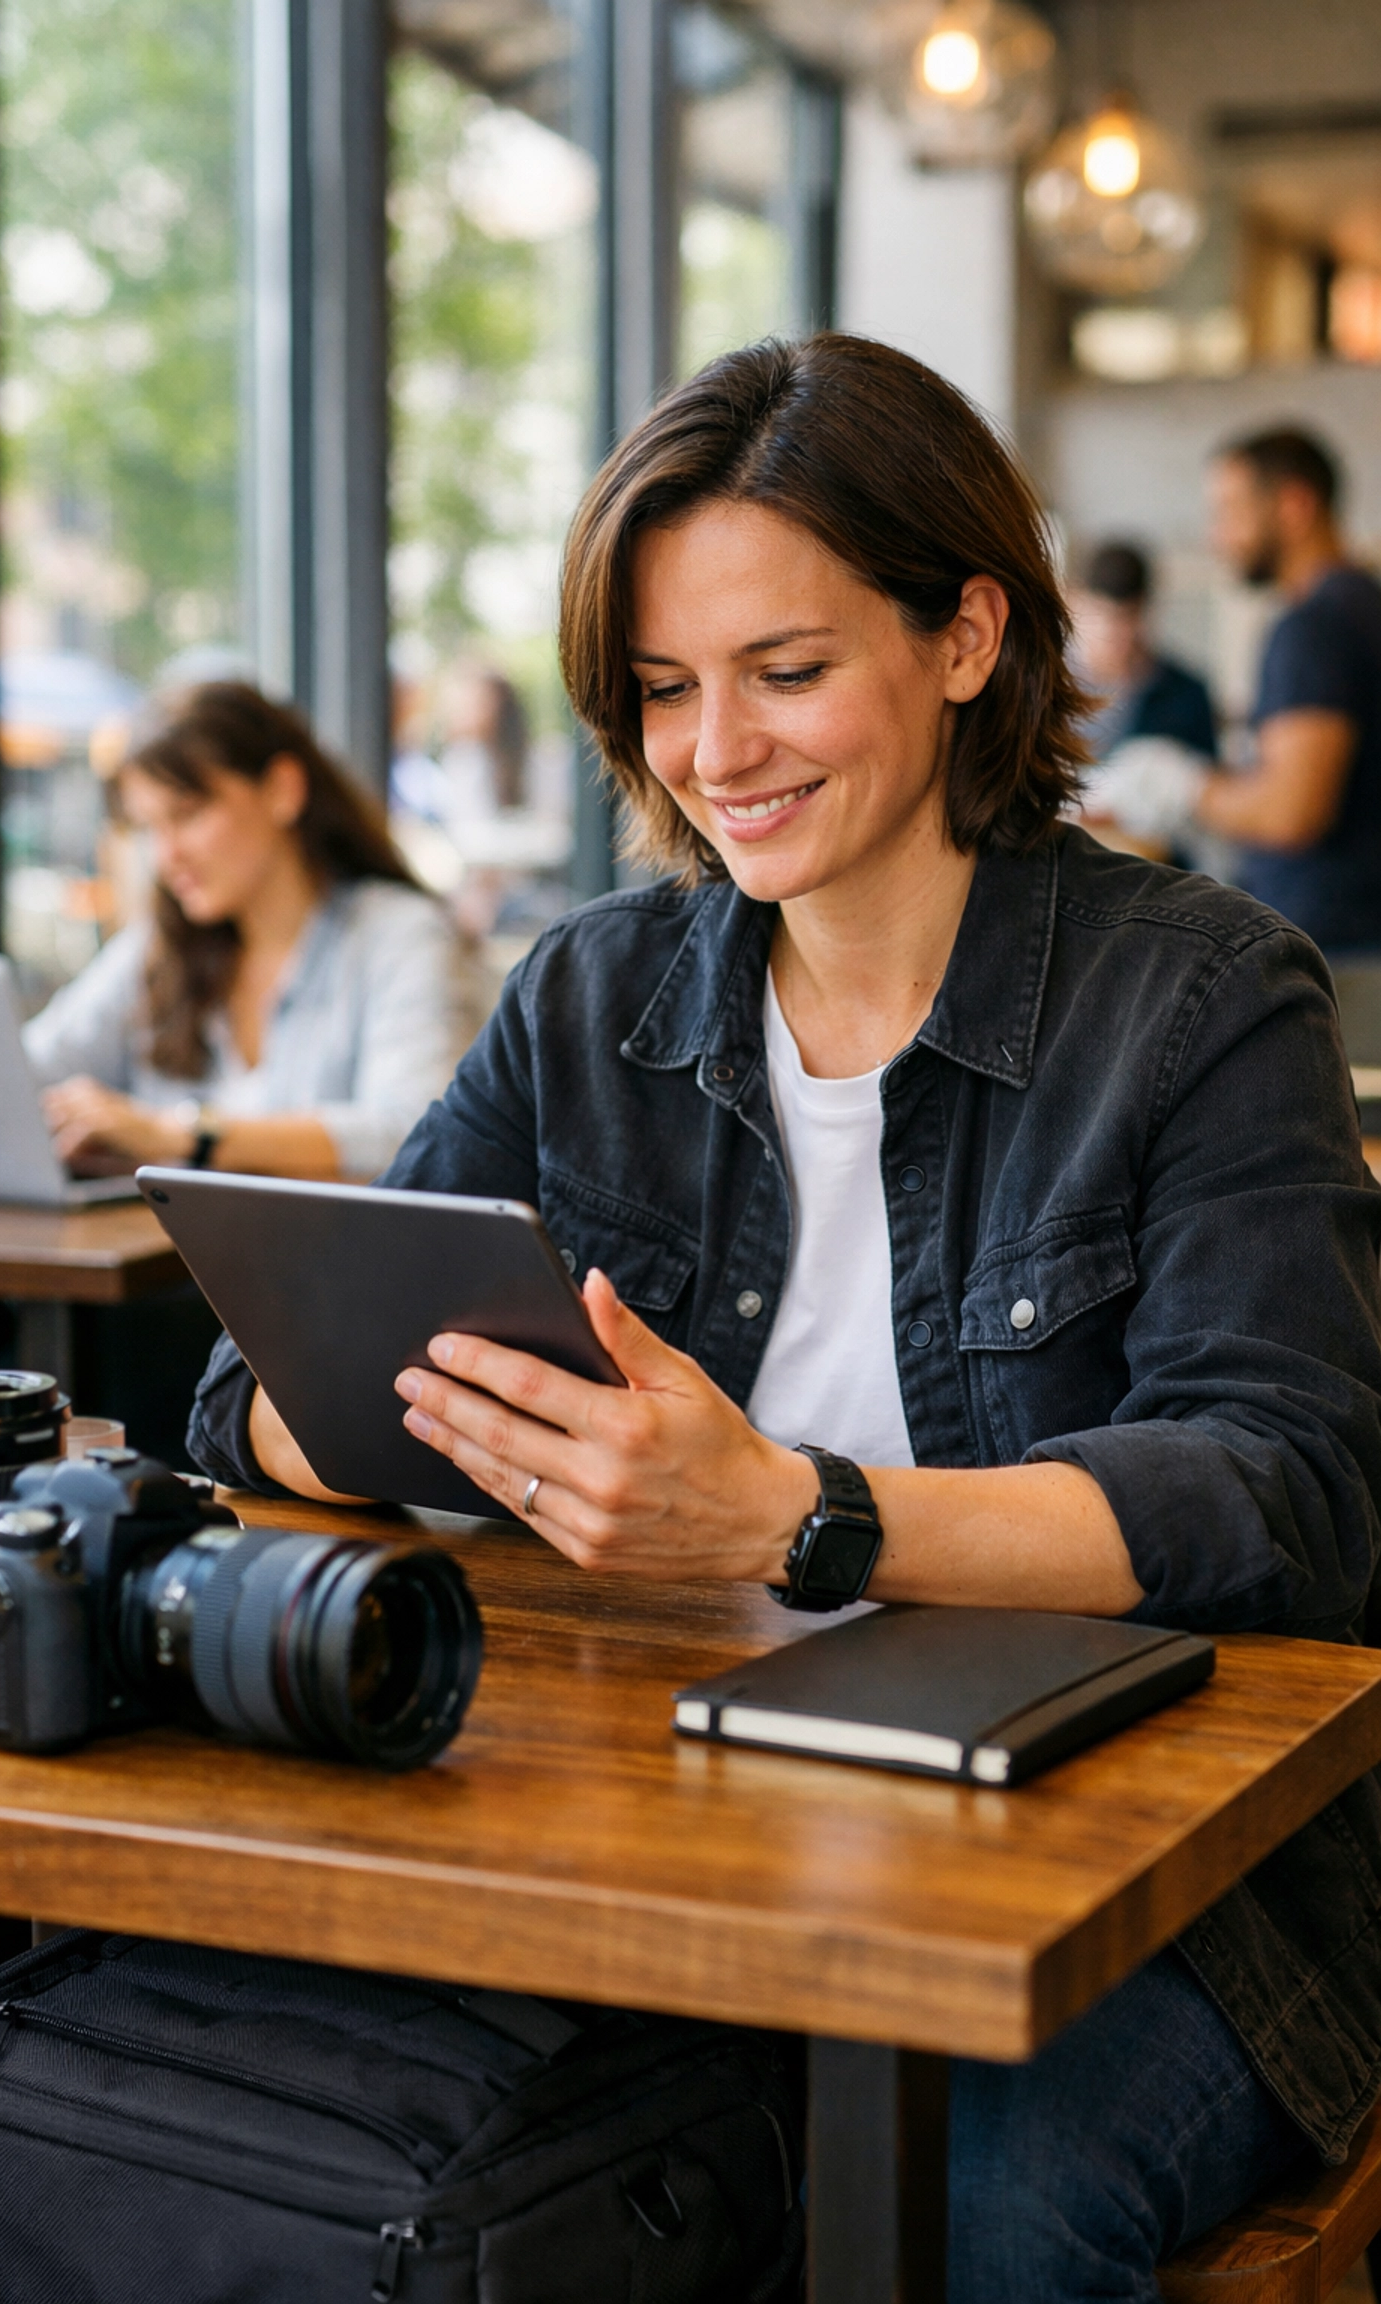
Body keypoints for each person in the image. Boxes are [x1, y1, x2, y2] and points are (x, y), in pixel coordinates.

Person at [188, 337, 1381, 2300]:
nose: (712, 750)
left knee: (959, 2212)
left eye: (787, 671)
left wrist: (795, 1515)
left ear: (968, 637)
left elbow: (1285, 1491)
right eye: (662, 690)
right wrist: (444, 1427)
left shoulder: (1207, 996)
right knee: (305, 2108)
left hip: (1159, 1892)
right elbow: (254, 1385)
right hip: (668, 1828)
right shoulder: (589, 999)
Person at [23, 681, 480, 1180]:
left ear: (283, 789)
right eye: (149, 828)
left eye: (187, 814)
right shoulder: (159, 947)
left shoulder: (400, 937)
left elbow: (414, 1136)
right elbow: (28, 1070)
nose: (165, 856)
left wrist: (176, 1136)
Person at [1088, 431, 1381, 955]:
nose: (1219, 536)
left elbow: (1292, 810)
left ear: (1294, 504)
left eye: (1230, 511)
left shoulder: (1314, 626)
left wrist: (1183, 787)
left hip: (1337, 949)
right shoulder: (1362, 606)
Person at [1072, 539, 1217, 764]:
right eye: (1103, 615)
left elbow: (1214, 784)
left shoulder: (1187, 696)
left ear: (1148, 610)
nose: (1115, 633)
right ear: (1076, 604)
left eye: (1128, 617)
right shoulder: (1043, 688)